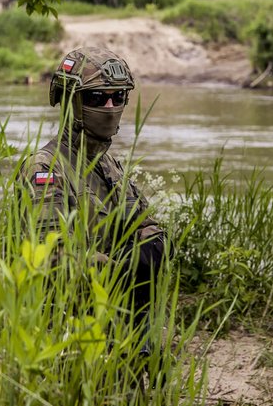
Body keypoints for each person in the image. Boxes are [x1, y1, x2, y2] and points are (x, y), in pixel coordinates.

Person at [20, 46, 166, 354]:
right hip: (65, 330)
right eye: (96, 98)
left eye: (119, 97)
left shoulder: (108, 164)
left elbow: (147, 224)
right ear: (71, 102)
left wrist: (148, 250)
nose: (110, 106)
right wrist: (119, 268)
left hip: (120, 321)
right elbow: (54, 259)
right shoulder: (46, 168)